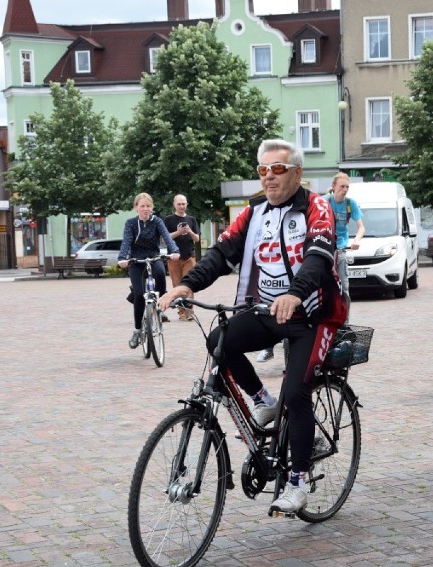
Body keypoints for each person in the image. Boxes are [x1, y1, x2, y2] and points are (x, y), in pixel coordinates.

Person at [159, 139, 347, 515]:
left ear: (296, 172)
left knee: (297, 393)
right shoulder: (254, 212)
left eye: (276, 169)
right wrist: (187, 285)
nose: (268, 177)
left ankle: (297, 482)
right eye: (262, 170)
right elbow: (220, 253)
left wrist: (295, 293)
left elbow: (318, 255)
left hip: (313, 313)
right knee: (219, 342)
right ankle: (263, 402)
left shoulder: (318, 207)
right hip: (266, 309)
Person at [255, 172, 364, 362]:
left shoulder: (350, 204)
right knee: (281, 292)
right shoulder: (323, 202)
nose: (345, 190)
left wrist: (357, 239)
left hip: (339, 248)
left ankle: (340, 328)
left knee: (342, 289)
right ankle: (270, 346)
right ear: (333, 187)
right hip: (316, 248)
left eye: (348, 187)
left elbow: (361, 226)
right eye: (342, 186)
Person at [117, 193, 180, 349]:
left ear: (152, 208)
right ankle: (138, 329)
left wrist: (174, 251)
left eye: (148, 206)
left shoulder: (157, 221)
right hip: (136, 261)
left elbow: (167, 237)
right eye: (142, 206)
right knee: (139, 294)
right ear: (136, 207)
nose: (145, 209)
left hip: (153, 257)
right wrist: (122, 258)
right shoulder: (130, 223)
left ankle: (159, 307)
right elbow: (126, 242)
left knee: (160, 273)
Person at [164, 194, 201, 321]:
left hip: (189, 257)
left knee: (189, 285)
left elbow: (197, 239)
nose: (181, 206)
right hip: (174, 258)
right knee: (177, 286)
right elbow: (166, 238)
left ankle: (189, 312)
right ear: (174, 205)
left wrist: (189, 231)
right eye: (179, 204)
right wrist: (178, 232)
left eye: (183, 204)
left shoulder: (192, 219)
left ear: (187, 204)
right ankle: (181, 312)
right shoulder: (168, 220)